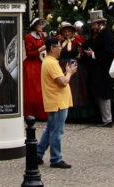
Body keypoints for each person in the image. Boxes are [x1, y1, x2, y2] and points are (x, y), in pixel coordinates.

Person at [37, 36, 76, 169]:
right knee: (56, 131)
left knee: (50, 129)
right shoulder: (51, 63)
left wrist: (65, 72)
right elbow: (62, 82)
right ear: (52, 48)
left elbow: (58, 79)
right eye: (59, 47)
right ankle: (55, 158)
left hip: (55, 100)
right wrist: (69, 73)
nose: (60, 49)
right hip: (58, 101)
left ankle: (38, 154)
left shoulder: (49, 61)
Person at [81, 10, 114, 127]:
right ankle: (101, 118)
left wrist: (93, 54)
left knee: (104, 93)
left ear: (100, 23)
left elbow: (110, 52)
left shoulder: (107, 35)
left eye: (93, 24)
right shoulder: (99, 34)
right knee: (98, 93)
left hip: (104, 70)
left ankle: (107, 119)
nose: (92, 27)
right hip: (97, 70)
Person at [57, 22, 91, 121]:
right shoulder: (59, 42)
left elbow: (82, 53)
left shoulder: (77, 41)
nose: (67, 33)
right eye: (65, 31)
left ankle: (78, 113)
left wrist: (80, 54)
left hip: (76, 68)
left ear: (72, 32)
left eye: (69, 31)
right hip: (63, 67)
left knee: (78, 90)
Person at [23, 18, 48, 121]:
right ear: (35, 26)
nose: (42, 26)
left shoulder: (41, 36)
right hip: (32, 66)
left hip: (40, 63)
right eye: (40, 25)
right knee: (33, 91)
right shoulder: (28, 37)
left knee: (42, 89)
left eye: (42, 24)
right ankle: (31, 114)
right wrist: (40, 49)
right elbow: (29, 54)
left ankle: (41, 113)